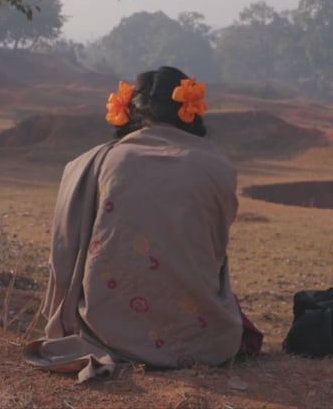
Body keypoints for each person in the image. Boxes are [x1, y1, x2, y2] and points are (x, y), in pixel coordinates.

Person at [23, 66, 261, 382]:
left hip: (108, 329)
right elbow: (214, 250)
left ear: (130, 110)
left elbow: (66, 248)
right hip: (205, 337)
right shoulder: (217, 164)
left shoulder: (98, 161)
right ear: (189, 109)